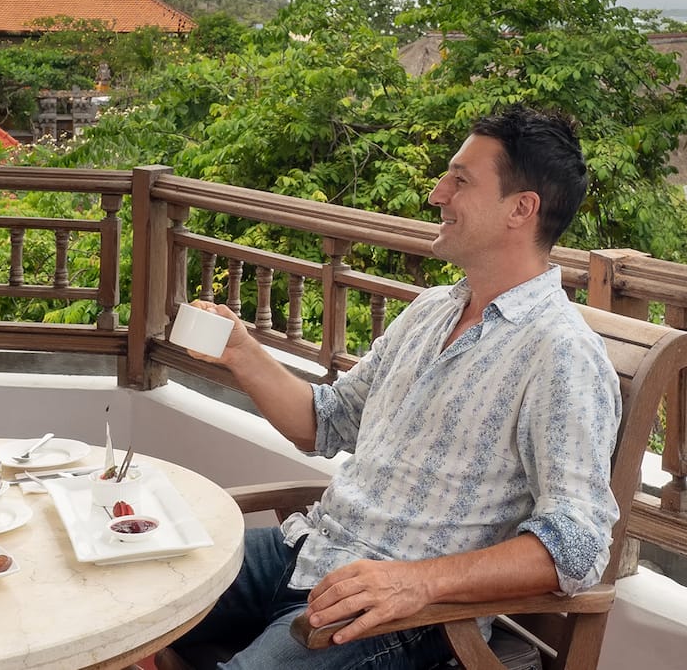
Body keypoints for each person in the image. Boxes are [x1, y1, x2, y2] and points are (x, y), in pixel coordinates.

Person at [171, 104, 621, 670]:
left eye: (460, 180)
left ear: (521, 209)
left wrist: (416, 584)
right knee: (141, 586)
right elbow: (327, 421)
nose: (438, 193)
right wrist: (241, 351)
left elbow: (578, 545)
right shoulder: (432, 309)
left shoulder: (561, 354)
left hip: (400, 614)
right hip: (305, 550)